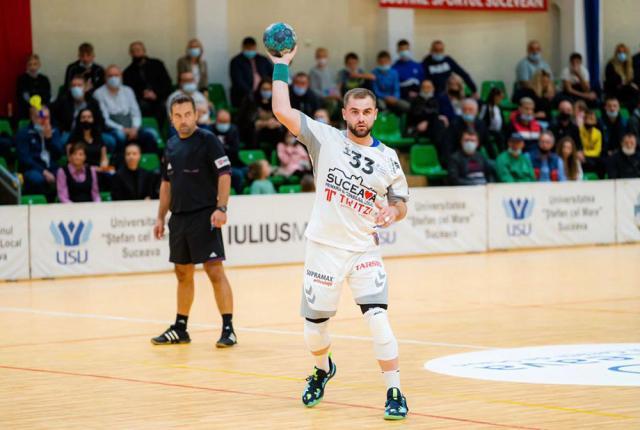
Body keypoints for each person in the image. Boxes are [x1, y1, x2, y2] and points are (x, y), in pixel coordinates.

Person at [270, 46, 410, 420]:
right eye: (354, 111)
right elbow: (281, 111)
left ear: (375, 115)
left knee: (378, 318)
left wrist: (392, 212)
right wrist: (281, 66)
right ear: (344, 113)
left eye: (367, 112)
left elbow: (400, 201)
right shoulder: (325, 139)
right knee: (315, 329)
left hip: (363, 249)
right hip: (323, 249)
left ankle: (394, 391)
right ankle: (322, 369)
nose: (361, 117)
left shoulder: (389, 157)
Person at [152, 94, 236, 348]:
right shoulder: (171, 145)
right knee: (182, 273)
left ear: (196, 114)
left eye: (188, 114)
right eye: (178, 116)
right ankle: (180, 327)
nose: (183, 120)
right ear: (171, 118)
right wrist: (160, 216)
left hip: (205, 215)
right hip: (179, 217)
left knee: (214, 271)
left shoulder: (208, 140)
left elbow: (224, 174)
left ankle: (228, 329)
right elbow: (166, 184)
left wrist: (221, 207)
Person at [93, 65, 158, 154]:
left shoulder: (128, 91)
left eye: (116, 75)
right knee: (120, 136)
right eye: (110, 76)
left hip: (132, 127)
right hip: (113, 128)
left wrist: (135, 128)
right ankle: (121, 162)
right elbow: (105, 119)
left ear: (121, 77)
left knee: (151, 133)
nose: (113, 78)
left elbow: (136, 113)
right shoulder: (98, 94)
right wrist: (123, 129)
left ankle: (148, 163)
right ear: (105, 77)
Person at [16, 105, 63, 196]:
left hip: (52, 167)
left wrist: (49, 139)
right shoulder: (23, 133)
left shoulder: (54, 131)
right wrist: (43, 172)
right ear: (32, 118)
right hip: (33, 169)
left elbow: (58, 155)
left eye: (47, 118)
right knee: (37, 179)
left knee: (66, 176)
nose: (44, 121)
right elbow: (24, 159)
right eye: (40, 117)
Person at [123, 41, 173, 127]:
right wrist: (143, 94)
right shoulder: (128, 72)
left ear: (144, 51)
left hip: (160, 96)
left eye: (138, 50)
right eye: (133, 51)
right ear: (130, 53)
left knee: (164, 106)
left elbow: (167, 83)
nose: (136, 53)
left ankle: (160, 132)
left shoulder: (157, 64)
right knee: (142, 106)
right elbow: (129, 91)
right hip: (141, 99)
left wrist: (155, 93)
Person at [51, 74, 106, 142]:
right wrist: (59, 129)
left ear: (85, 88)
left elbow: (100, 121)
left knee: (110, 141)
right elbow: (50, 112)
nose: (76, 88)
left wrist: (95, 132)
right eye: (73, 86)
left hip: (90, 133)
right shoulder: (63, 100)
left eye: (79, 85)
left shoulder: (93, 102)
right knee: (62, 142)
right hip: (69, 132)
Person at [237, 79, 284, 149]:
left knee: (280, 130)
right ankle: (255, 153)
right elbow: (245, 121)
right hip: (253, 129)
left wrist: (277, 123)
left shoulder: (276, 100)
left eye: (269, 89)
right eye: (264, 89)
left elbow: (281, 118)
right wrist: (262, 123)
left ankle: (278, 154)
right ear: (259, 89)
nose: (266, 92)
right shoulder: (251, 99)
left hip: (269, 130)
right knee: (253, 131)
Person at [229, 37, 273, 107]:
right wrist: (252, 93)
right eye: (248, 48)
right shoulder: (236, 61)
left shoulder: (263, 60)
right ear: (243, 48)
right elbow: (238, 81)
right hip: (244, 94)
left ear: (255, 48)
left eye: (252, 48)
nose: (250, 51)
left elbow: (272, 74)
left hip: (264, 92)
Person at [407, 80, 446, 153]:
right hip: (416, 128)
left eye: (428, 87)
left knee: (439, 124)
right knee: (438, 123)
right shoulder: (415, 100)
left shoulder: (435, 100)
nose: (426, 89)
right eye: (424, 87)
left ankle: (440, 151)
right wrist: (431, 119)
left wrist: (428, 121)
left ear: (433, 88)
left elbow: (434, 113)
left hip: (430, 127)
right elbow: (418, 114)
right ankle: (440, 153)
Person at [211, 109, 244, 195]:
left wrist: (222, 148)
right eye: (221, 122)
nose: (223, 124)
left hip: (232, 162)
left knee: (247, 171)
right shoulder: (210, 130)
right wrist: (226, 148)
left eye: (226, 122)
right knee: (238, 174)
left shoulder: (233, 130)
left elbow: (235, 150)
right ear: (216, 120)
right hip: (215, 165)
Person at [604, 43, 639, 110]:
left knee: (635, 91)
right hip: (614, 90)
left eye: (624, 52)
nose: (622, 54)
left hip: (625, 90)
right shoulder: (611, 64)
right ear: (616, 53)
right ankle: (622, 107)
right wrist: (624, 83)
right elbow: (611, 81)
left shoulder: (629, 65)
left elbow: (630, 79)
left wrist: (632, 84)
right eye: (619, 52)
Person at [16, 54, 51, 119]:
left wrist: (40, 106)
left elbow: (47, 96)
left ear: (39, 65)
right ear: (27, 66)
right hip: (27, 110)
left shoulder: (44, 79)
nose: (32, 67)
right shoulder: (22, 79)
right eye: (30, 64)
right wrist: (32, 107)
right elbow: (23, 96)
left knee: (44, 114)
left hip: (41, 108)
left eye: (35, 64)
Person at [478, 87, 505, 153]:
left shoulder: (499, 108)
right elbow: (481, 120)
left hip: (497, 130)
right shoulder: (485, 106)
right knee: (498, 136)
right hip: (488, 130)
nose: (501, 99)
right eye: (500, 97)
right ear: (495, 97)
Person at [580, 110, 605, 178]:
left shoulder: (598, 133)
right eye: (588, 119)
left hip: (592, 157)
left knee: (603, 162)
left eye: (592, 119)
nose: (590, 122)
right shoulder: (579, 131)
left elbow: (597, 151)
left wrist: (584, 153)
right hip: (581, 158)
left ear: (596, 121)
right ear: (584, 120)